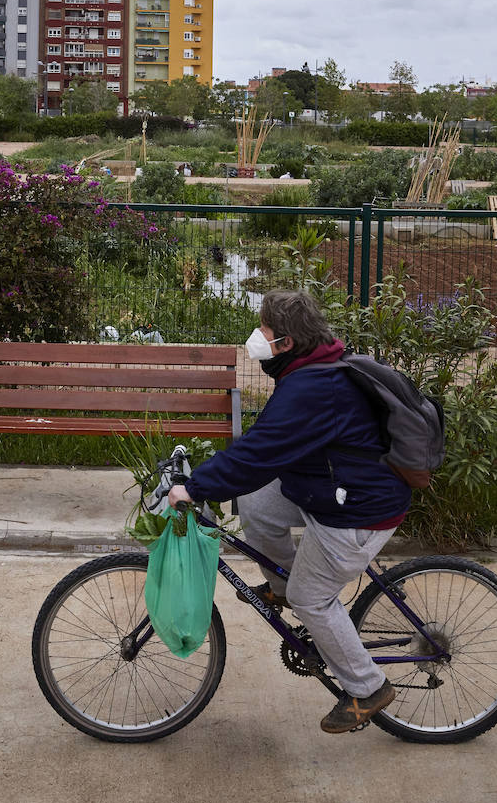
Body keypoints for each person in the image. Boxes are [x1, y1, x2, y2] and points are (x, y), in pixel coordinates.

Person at [168, 288, 411, 734]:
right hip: (328, 485)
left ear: (288, 342)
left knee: (312, 598)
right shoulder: (309, 370)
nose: (259, 337)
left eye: (267, 331)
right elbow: (264, 455)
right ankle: (282, 584)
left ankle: (366, 686)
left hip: (358, 509)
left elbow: (259, 452)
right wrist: (208, 482)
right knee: (256, 502)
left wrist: (194, 487)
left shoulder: (314, 386)